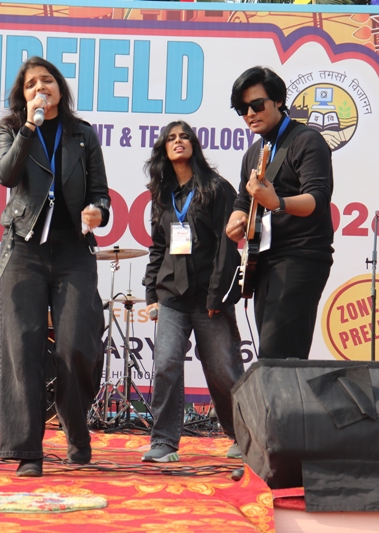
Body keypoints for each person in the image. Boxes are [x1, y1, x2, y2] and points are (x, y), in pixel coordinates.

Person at [0, 56, 110, 477]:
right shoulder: (11, 128)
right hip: (23, 250)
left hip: (73, 251)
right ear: (22, 95)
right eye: (31, 84)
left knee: (77, 344)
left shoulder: (83, 134)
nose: (39, 88)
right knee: (21, 348)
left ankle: (76, 430)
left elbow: (100, 193)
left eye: (46, 81)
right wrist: (29, 125)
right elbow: (6, 175)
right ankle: (26, 450)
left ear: (60, 87)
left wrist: (98, 211)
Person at [142, 121, 245, 463]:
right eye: (171, 138)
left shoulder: (216, 188)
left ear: (194, 145)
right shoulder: (162, 194)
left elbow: (227, 247)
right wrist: (151, 293)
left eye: (184, 136)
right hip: (172, 296)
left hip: (209, 297)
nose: (178, 141)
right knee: (165, 364)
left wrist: (218, 295)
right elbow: (159, 247)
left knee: (223, 369)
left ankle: (242, 436)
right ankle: (164, 441)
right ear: (164, 149)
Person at [226, 66, 334, 360]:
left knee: (279, 355)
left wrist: (278, 202)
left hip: (301, 256)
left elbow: (318, 199)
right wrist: (237, 221)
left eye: (257, 104)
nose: (250, 113)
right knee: (272, 357)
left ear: (278, 101)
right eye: (243, 109)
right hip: (263, 260)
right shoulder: (253, 153)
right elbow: (242, 201)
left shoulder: (307, 140)